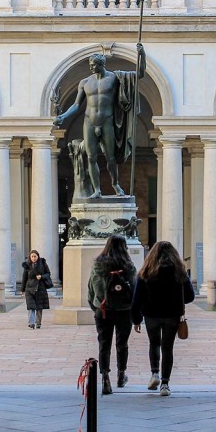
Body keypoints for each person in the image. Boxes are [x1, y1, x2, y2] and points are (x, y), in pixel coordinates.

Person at [54, 47, 145, 198]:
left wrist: (142, 55)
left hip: (107, 121)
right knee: (91, 157)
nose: (91, 67)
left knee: (111, 157)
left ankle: (115, 185)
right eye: (90, 65)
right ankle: (97, 190)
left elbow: (139, 74)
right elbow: (76, 105)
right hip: (89, 122)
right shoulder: (84, 82)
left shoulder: (114, 78)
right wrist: (63, 116)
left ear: (101, 64)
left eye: (93, 65)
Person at [131, 241, 195, 396]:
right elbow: (190, 296)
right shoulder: (179, 272)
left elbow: (137, 299)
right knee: (168, 348)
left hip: (151, 314)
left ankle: (154, 373)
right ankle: (165, 384)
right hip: (172, 314)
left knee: (154, 344)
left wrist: (136, 319)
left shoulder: (146, 272)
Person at [87, 234, 137, 395]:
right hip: (124, 310)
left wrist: (95, 306)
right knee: (122, 344)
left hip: (103, 310)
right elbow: (134, 289)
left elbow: (91, 288)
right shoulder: (128, 266)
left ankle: (105, 378)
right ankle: (121, 375)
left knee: (104, 344)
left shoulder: (98, 265)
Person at [20, 250, 51, 329]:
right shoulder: (27, 265)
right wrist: (22, 289)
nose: (33, 258)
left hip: (40, 288)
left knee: (39, 307)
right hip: (29, 288)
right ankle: (31, 323)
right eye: (32, 256)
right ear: (30, 257)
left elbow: (48, 274)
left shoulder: (43, 263)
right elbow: (24, 278)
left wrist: (42, 276)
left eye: (35, 256)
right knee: (31, 306)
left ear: (38, 256)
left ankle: (38, 323)